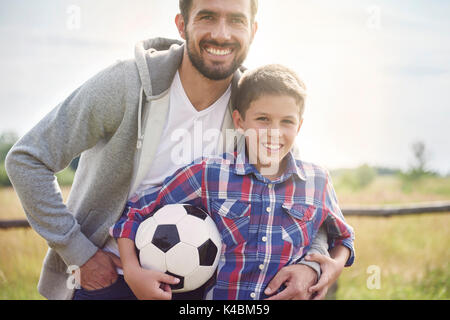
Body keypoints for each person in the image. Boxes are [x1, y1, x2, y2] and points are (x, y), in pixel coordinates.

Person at [6, 0, 345, 300]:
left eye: (236, 21)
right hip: (107, 280)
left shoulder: (259, 110)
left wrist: (312, 267)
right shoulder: (127, 85)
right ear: (182, 24)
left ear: (253, 31)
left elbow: (302, 202)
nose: (222, 34)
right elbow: (27, 159)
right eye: (208, 17)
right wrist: (79, 253)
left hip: (205, 291)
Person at [110, 64, 355, 300]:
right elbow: (136, 209)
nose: (274, 132)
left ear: (299, 126)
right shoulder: (210, 174)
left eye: (287, 122)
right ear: (239, 122)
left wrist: (331, 268)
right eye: (263, 119)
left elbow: (343, 237)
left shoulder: (317, 181)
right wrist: (132, 271)